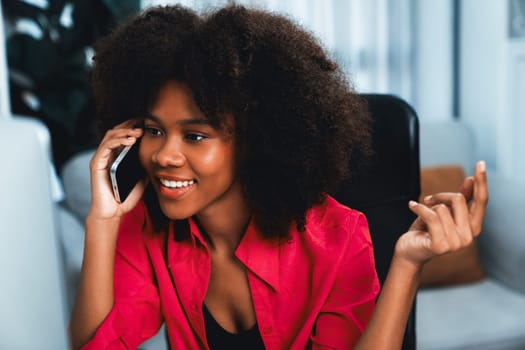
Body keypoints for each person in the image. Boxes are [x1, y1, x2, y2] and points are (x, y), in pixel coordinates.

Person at [70, 4, 488, 350]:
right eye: (155, 130)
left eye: (195, 135)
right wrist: (102, 223)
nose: (164, 155)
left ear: (252, 140)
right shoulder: (148, 230)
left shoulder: (338, 236)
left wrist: (408, 263)